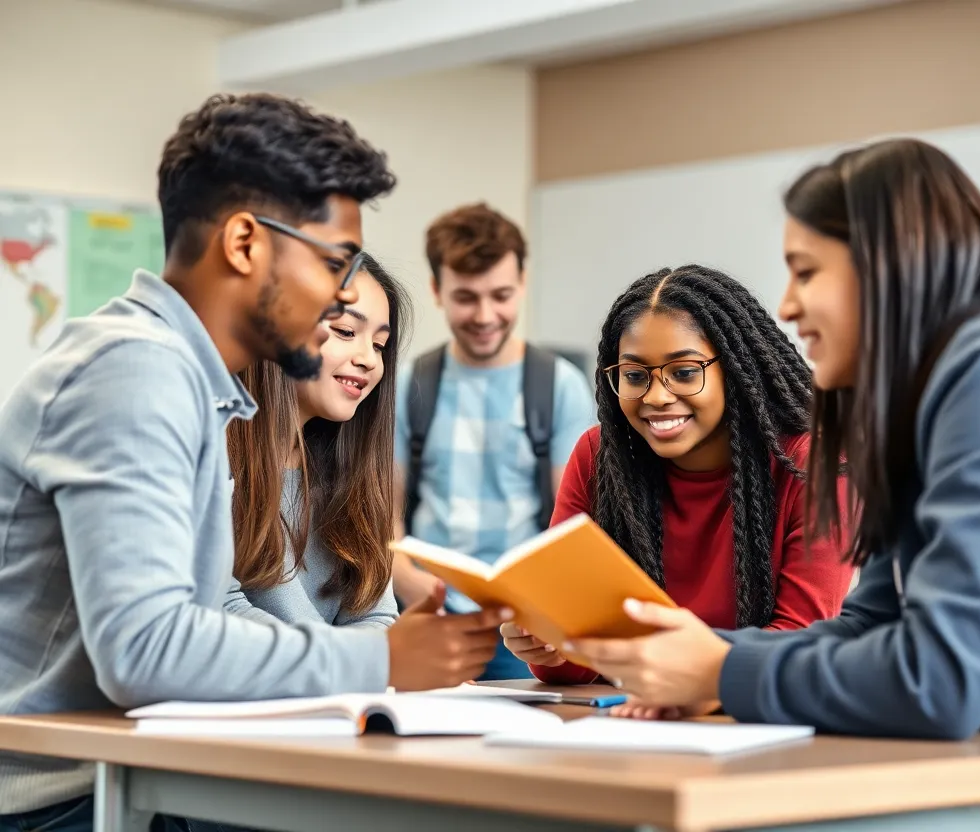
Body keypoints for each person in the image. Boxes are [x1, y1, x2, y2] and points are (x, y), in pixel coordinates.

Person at [568, 139, 980, 832]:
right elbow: (870, 625)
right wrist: (714, 661)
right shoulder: (938, 395)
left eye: (806, 272)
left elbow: (940, 680)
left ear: (887, 264)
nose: (787, 305)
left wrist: (721, 673)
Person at [0, 93, 508, 831]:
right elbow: (145, 650)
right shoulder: (135, 372)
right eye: (332, 264)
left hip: (135, 779)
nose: (340, 296)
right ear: (244, 243)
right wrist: (385, 662)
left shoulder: (193, 382)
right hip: (61, 802)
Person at [501, 265, 855, 684]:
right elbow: (569, 667)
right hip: (630, 715)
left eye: (684, 372)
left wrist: (678, 669)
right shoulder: (598, 458)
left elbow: (798, 646)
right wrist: (546, 640)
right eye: (635, 376)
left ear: (736, 369)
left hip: (751, 714)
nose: (656, 396)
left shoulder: (813, 465)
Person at [392, 202, 596, 680]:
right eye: (466, 297)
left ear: (522, 283)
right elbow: (383, 507)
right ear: (437, 291)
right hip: (430, 613)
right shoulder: (409, 384)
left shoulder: (559, 386)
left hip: (524, 623)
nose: (485, 316)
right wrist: (405, 579)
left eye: (501, 295)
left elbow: (571, 520)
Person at [225, 255, 408, 630]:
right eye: (345, 332)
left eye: (379, 344)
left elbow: (376, 614)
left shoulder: (352, 477)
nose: (369, 360)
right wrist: (351, 656)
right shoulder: (208, 455)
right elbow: (218, 606)